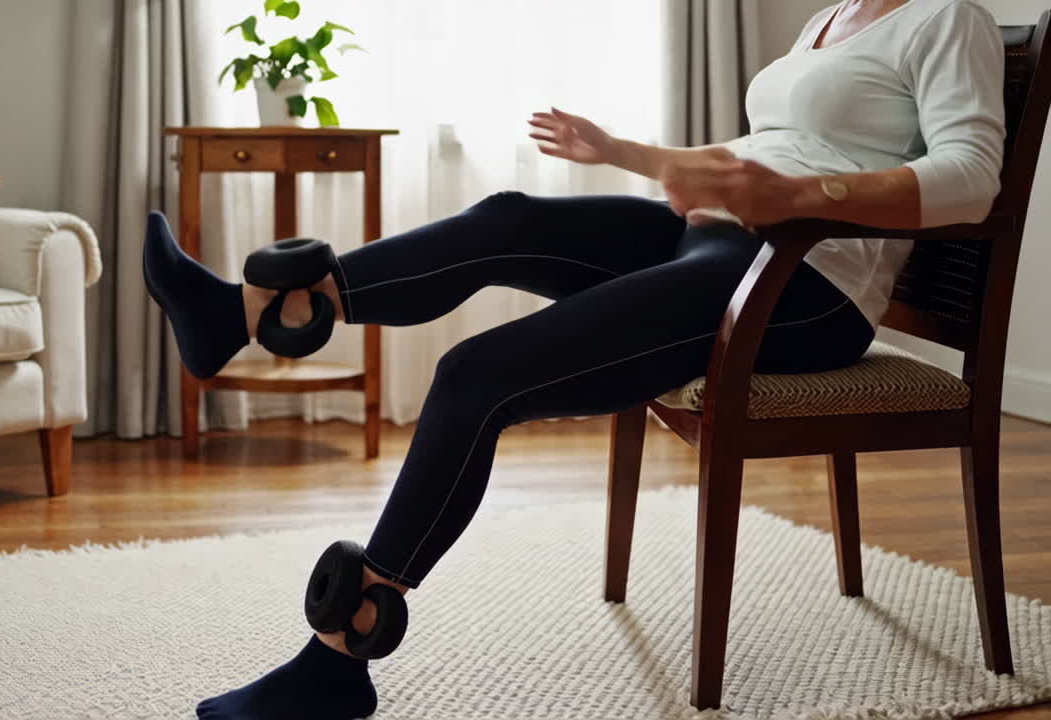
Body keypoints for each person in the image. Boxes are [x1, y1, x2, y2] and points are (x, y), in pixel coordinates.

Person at [142, 0, 1006, 717]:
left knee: (476, 375)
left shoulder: (947, 18)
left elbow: (973, 176)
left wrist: (798, 196)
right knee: (507, 216)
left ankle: (336, 661)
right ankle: (244, 312)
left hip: (803, 285)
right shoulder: (828, 19)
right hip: (714, 241)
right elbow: (753, 158)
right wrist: (622, 152)